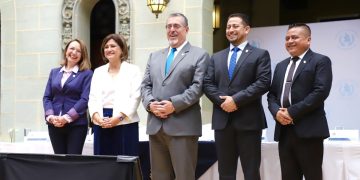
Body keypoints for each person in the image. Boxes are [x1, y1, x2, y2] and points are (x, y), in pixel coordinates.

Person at [141, 13, 210, 180]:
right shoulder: (154, 56)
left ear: (186, 29)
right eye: (169, 26)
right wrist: (150, 104)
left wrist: (173, 104)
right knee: (158, 176)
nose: (172, 30)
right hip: (156, 126)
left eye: (176, 26)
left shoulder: (200, 55)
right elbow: (145, 85)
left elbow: (197, 87)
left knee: (184, 176)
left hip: (183, 127)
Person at [203, 13, 271, 180]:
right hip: (222, 121)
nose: (230, 30)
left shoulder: (260, 54)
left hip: (249, 122)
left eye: (235, 26)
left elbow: (262, 83)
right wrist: (224, 102)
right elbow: (207, 84)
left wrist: (236, 100)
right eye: (228, 27)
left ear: (247, 29)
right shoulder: (216, 57)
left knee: (251, 171)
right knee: (225, 172)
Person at [267, 23, 332, 180]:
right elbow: (272, 95)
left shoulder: (320, 61)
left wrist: (291, 112)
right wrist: (276, 112)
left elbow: (320, 92)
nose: (289, 41)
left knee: (313, 175)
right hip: (284, 131)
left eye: (294, 37)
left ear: (308, 40)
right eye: (287, 38)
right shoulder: (281, 66)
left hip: (309, 131)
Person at [88, 33, 142, 156]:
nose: (109, 49)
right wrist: (97, 118)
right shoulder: (98, 71)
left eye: (113, 46)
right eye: (106, 47)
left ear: (122, 50)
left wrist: (118, 118)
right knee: (103, 162)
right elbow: (93, 98)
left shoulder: (133, 70)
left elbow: (135, 97)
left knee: (124, 162)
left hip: (125, 122)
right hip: (102, 122)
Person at [43, 39, 93, 154]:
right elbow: (47, 97)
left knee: (73, 161)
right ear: (66, 51)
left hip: (76, 125)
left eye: (78, 51)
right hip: (54, 124)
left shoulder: (87, 74)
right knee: (59, 160)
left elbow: (85, 99)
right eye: (72, 48)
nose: (74, 52)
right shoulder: (54, 72)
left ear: (82, 55)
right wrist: (50, 116)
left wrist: (66, 118)